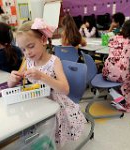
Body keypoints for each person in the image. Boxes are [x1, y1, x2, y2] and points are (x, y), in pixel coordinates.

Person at [7, 18, 86, 148]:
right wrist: (13, 79)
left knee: (52, 132)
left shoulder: (54, 61)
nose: (27, 53)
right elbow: (12, 83)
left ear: (43, 40)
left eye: (31, 46)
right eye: (23, 50)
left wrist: (43, 77)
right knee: (35, 128)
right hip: (37, 102)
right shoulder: (27, 61)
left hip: (55, 104)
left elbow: (65, 89)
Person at [102, 18, 130, 112]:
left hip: (105, 72)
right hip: (119, 74)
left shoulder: (114, 37)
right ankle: (125, 105)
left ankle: (114, 92)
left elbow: (109, 44)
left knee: (125, 76)